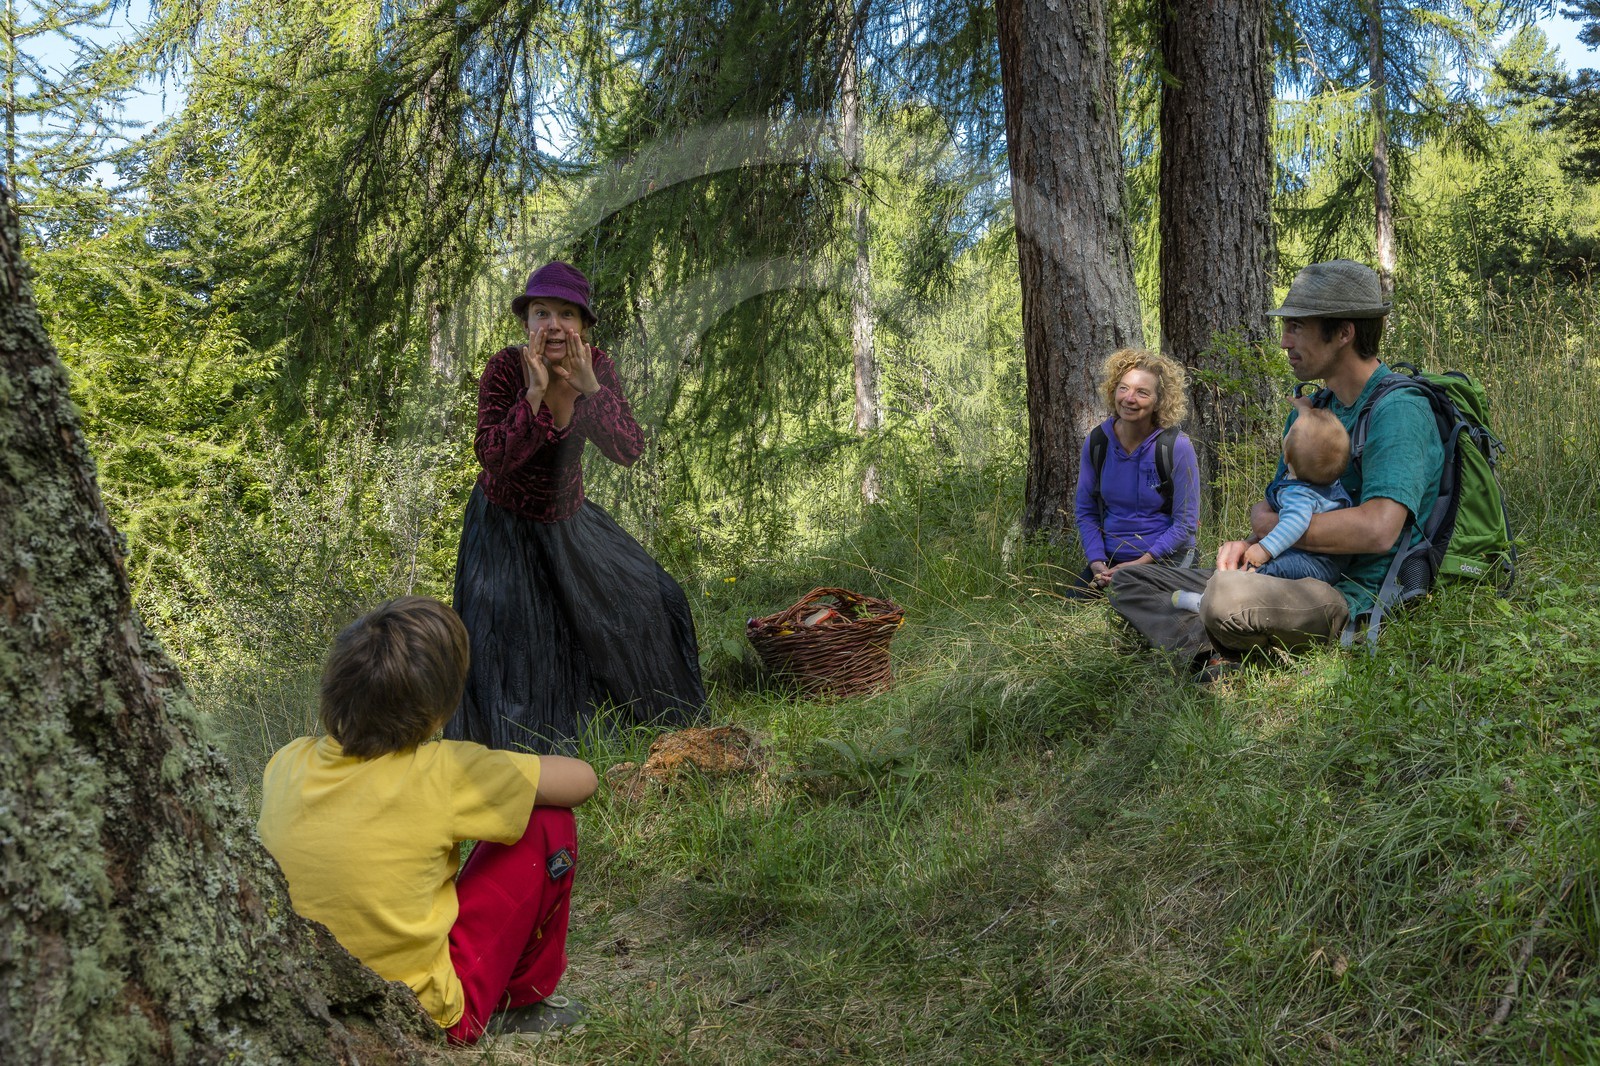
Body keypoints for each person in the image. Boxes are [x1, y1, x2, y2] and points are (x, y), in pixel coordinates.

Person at [258, 596, 600, 1044]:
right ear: (440, 708)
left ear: (334, 688)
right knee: (547, 821)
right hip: (418, 1014)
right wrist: (500, 770)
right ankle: (517, 1003)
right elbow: (583, 780)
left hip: (310, 999)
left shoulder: (285, 762)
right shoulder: (448, 771)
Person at [1107, 259, 1444, 676]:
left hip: (1346, 594)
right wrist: (1246, 542)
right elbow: (1279, 502)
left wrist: (1269, 530)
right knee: (1131, 584)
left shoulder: (1400, 410)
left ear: (1343, 332)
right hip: (1280, 572)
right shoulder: (1312, 410)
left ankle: (1222, 638)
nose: (1285, 341)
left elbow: (1378, 530)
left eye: (1297, 327)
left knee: (1225, 600)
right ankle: (1212, 652)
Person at [449, 260, 706, 753]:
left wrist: (590, 389)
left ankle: (664, 726)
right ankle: (517, 759)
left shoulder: (598, 367)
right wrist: (535, 395)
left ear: (583, 327)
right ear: (526, 324)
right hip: (503, 525)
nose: (553, 325)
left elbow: (629, 449)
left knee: (660, 599)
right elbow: (493, 457)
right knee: (515, 650)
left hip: (569, 520)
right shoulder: (506, 368)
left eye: (566, 314)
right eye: (541, 312)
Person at [1069, 348, 1200, 597]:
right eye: (1123, 388)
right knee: (1070, 607)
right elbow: (1085, 511)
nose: (1129, 399)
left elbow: (1185, 524)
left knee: (1144, 611)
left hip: (1164, 560)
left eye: (1142, 392)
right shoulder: (1098, 442)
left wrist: (1138, 565)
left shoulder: (1176, 447)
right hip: (1110, 562)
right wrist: (1097, 562)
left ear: (1159, 401)